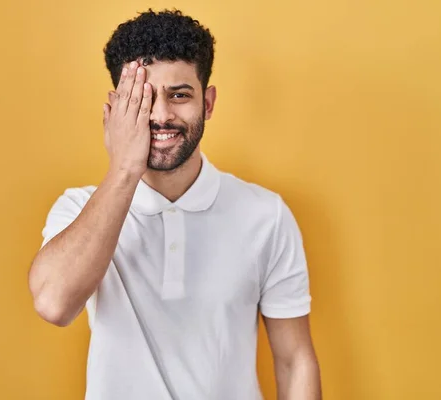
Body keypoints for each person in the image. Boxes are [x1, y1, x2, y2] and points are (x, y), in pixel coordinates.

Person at [28, 9, 321, 400]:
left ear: (209, 102)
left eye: (179, 95)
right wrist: (124, 170)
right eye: (142, 99)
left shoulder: (265, 215)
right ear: (115, 110)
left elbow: (294, 360)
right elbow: (53, 303)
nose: (162, 116)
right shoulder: (79, 209)